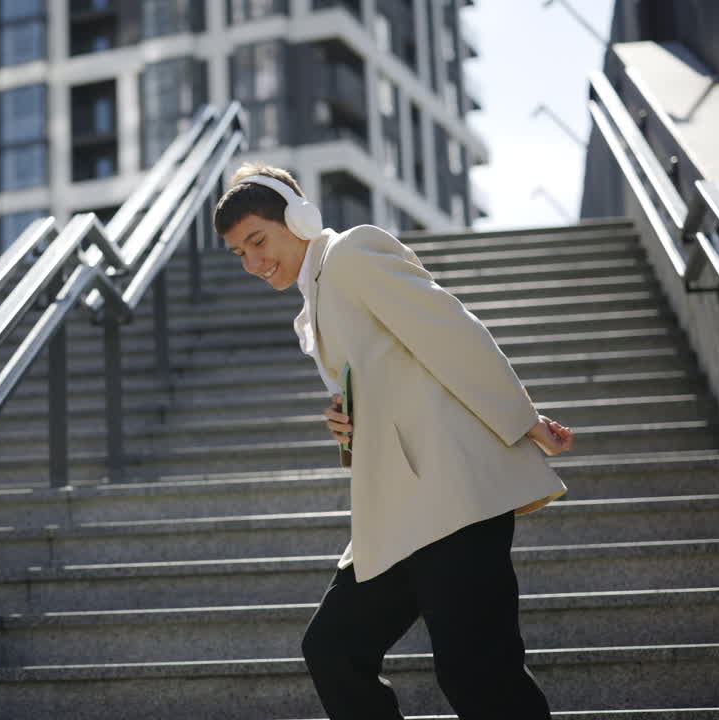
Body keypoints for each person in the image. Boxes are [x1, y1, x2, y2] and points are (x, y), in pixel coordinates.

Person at [213, 162, 577, 719]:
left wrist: (523, 419)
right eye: (240, 254)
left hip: (451, 498)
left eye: (258, 241)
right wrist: (347, 423)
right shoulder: (315, 298)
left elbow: (452, 332)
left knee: (478, 671)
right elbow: (388, 377)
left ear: (299, 217)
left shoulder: (353, 255)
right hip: (397, 515)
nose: (254, 263)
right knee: (333, 649)